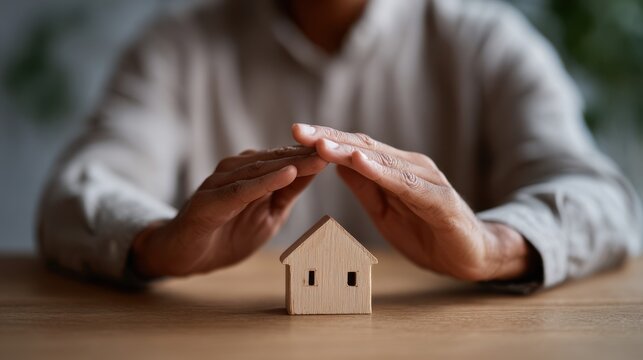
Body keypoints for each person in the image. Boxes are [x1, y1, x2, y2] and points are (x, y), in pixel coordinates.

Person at [38, 0, 641, 291]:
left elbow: (603, 198)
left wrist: (494, 247)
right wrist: (155, 244)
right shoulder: (175, 46)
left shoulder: (488, 42)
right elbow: (75, 194)